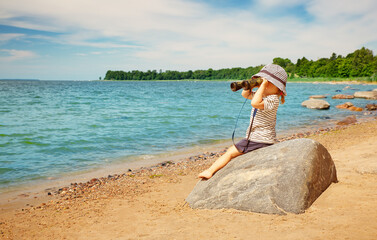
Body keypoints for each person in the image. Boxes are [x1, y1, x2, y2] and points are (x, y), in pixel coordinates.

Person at [198, 63, 287, 179]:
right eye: (265, 82)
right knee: (233, 152)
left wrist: (262, 85)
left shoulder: (273, 99)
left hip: (259, 139)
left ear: (278, 88)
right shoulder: (264, 96)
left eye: (269, 83)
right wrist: (253, 84)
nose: (265, 85)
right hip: (259, 138)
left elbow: (254, 103)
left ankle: (210, 171)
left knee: (230, 152)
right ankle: (211, 170)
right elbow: (245, 94)